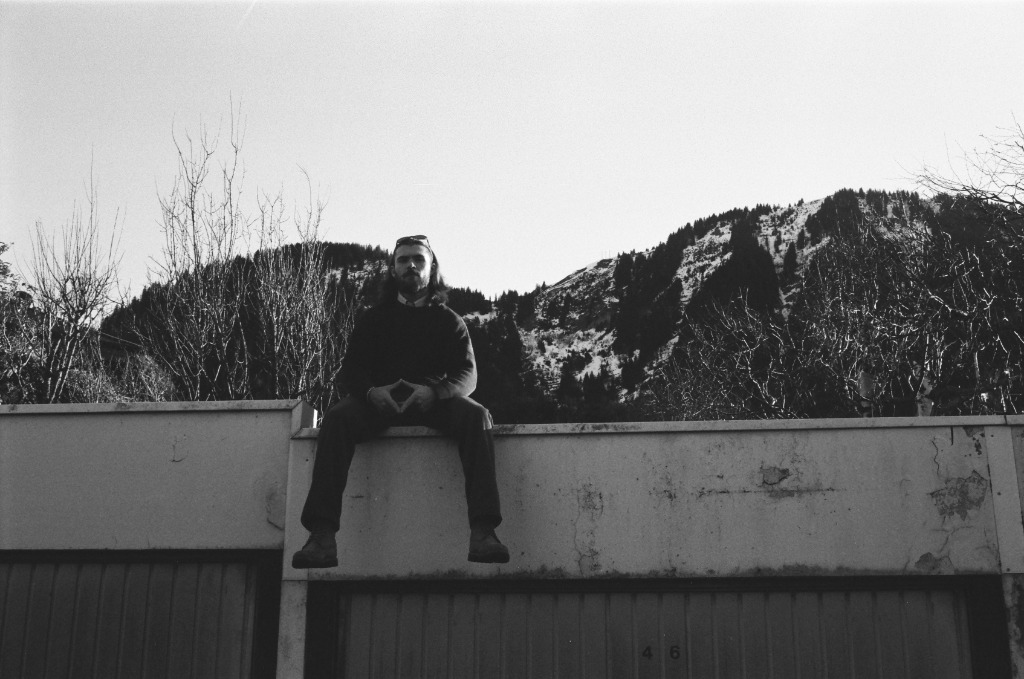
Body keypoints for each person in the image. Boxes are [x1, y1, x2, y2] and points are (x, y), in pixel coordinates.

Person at [292, 235, 509, 568]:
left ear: (431, 267)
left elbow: (468, 375)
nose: (411, 265)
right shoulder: (373, 319)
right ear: (392, 269)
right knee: (337, 418)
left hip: (434, 404)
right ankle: (321, 537)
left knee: (476, 416)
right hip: (379, 406)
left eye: (418, 260)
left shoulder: (449, 320)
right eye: (403, 259)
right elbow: (351, 369)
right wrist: (370, 393)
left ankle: (483, 532)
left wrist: (436, 393)